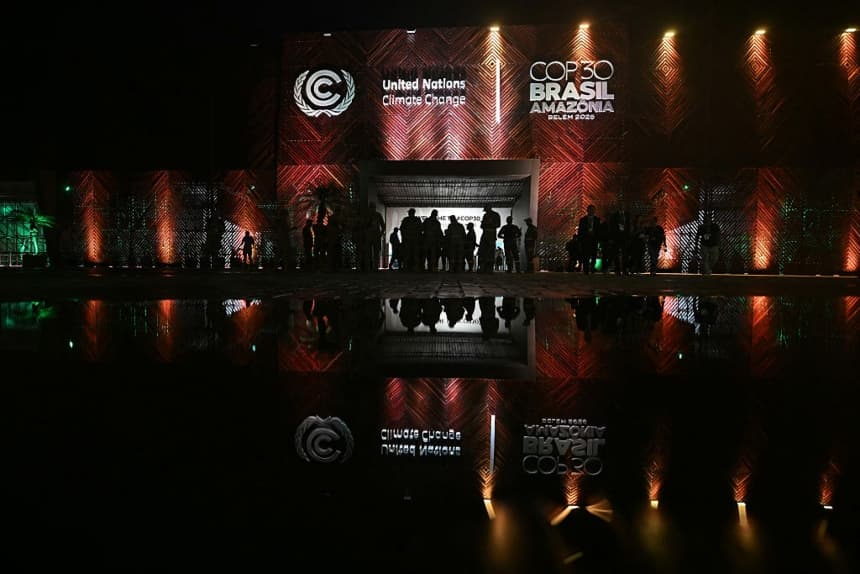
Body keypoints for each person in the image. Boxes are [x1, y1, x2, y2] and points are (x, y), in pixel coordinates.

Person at [577, 204, 601, 274]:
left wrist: (596, 236)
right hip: (585, 240)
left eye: (593, 210)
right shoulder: (583, 220)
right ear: (587, 210)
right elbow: (580, 231)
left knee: (593, 255)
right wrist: (580, 240)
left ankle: (592, 269)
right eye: (590, 210)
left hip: (594, 239)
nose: (591, 211)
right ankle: (586, 269)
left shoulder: (597, 220)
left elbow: (599, 230)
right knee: (585, 255)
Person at [479, 205, 501, 273]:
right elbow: (482, 225)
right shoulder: (485, 215)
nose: (486, 211)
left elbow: (498, 225)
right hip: (485, 234)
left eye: (486, 209)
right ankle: (483, 267)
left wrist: (489, 224)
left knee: (490, 252)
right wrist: (485, 224)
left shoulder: (495, 215)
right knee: (483, 251)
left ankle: (489, 268)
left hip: (491, 235)